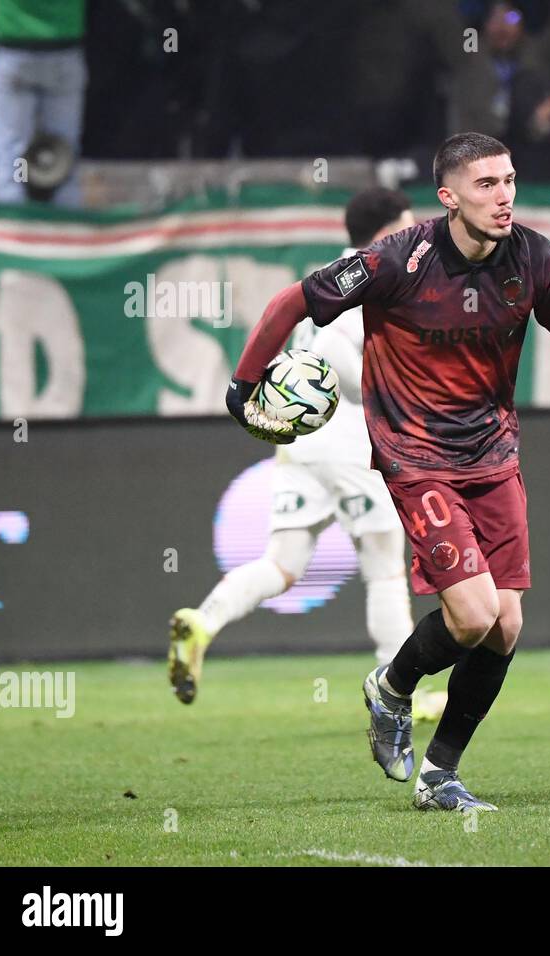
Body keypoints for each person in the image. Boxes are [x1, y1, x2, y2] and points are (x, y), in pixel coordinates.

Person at [224, 133, 550, 813]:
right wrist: (243, 385)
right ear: (448, 197)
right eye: (486, 185)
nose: (504, 197)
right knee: (471, 615)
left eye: (509, 181)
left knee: (506, 626)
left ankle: (440, 775)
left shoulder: (535, 256)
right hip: (416, 458)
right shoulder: (394, 260)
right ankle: (391, 687)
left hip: (494, 457)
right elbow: (292, 302)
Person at [166, 189, 418, 705]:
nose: (416, 236)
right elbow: (330, 352)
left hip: (299, 441)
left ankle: (203, 620)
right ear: (388, 230)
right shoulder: (373, 275)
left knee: (282, 563)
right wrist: (371, 391)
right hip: (347, 443)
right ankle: (399, 691)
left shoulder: (327, 275)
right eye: (409, 226)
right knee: (385, 563)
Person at [0, 0, 87, 207]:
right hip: (64, 50)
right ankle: (67, 226)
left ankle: (12, 224)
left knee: (13, 155)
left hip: (14, 53)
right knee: (63, 152)